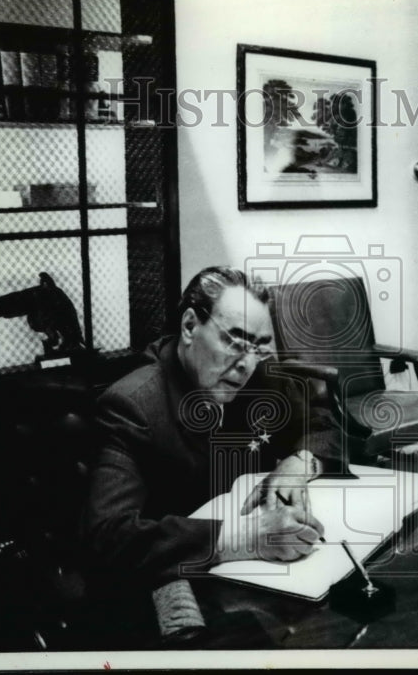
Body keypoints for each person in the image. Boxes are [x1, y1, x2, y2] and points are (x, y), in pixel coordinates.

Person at [82, 266, 345, 642]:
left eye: (259, 347)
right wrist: (247, 537)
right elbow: (108, 538)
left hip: (261, 594)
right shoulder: (133, 404)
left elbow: (325, 423)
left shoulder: (256, 375)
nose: (247, 363)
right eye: (236, 342)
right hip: (173, 597)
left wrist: (297, 465)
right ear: (190, 326)